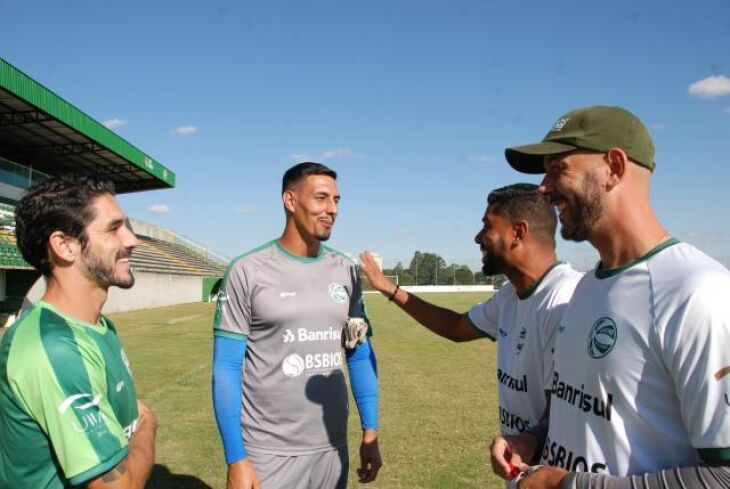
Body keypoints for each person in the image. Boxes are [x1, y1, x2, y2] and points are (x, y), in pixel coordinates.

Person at [491, 106, 730, 489]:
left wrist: (569, 485)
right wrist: (534, 439)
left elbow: (722, 476)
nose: (543, 188)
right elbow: (582, 406)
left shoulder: (699, 293)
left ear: (614, 167)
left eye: (557, 168)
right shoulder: (586, 287)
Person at [360, 183, 581, 440]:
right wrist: (389, 288)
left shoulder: (564, 299)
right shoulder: (510, 295)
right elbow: (456, 327)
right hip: (520, 471)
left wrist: (526, 447)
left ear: (518, 232)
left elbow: (565, 410)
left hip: (548, 475)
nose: (477, 238)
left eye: (487, 225)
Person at [212, 162, 381, 489]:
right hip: (267, 453)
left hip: (331, 448)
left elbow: (359, 354)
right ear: (290, 201)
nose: (332, 209)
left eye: (337, 200)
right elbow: (227, 367)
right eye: (321, 198)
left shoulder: (345, 270)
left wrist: (370, 429)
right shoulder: (248, 270)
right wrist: (236, 458)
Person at [0, 174, 157, 488]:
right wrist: (148, 427)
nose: (132, 240)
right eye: (114, 228)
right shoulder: (52, 348)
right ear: (65, 246)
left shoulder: (100, 327)